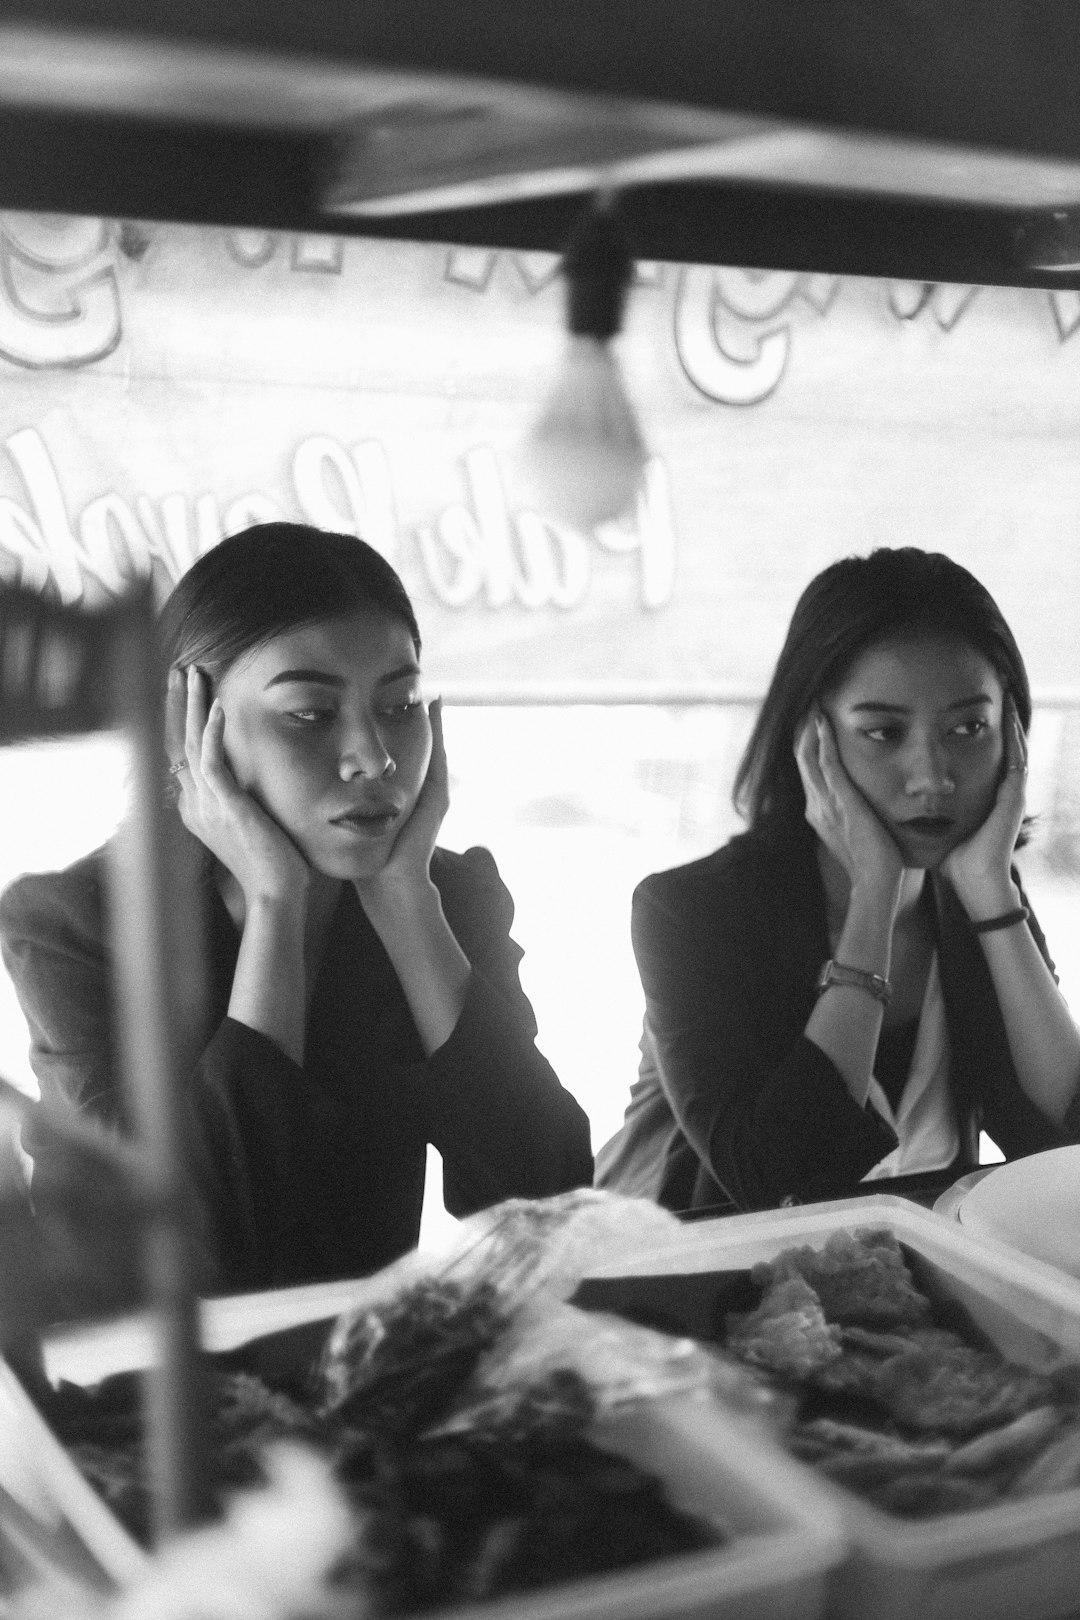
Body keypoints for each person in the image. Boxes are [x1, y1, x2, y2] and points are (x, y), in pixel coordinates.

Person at [0, 523, 592, 1297]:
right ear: (190, 728)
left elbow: (547, 1197)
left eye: (400, 704)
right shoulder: (75, 927)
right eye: (310, 713)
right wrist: (276, 906)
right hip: (138, 1394)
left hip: (356, 1378)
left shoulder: (449, 898)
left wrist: (406, 900)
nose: (375, 758)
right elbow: (196, 1255)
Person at [596, 546, 1080, 1213]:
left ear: (1014, 734)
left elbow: (1062, 1143)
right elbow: (775, 1179)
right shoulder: (689, 911)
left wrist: (995, 897)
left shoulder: (983, 899)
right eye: (883, 732)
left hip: (908, 1290)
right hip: (691, 1290)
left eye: (970, 727)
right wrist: (874, 896)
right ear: (812, 740)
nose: (932, 775)